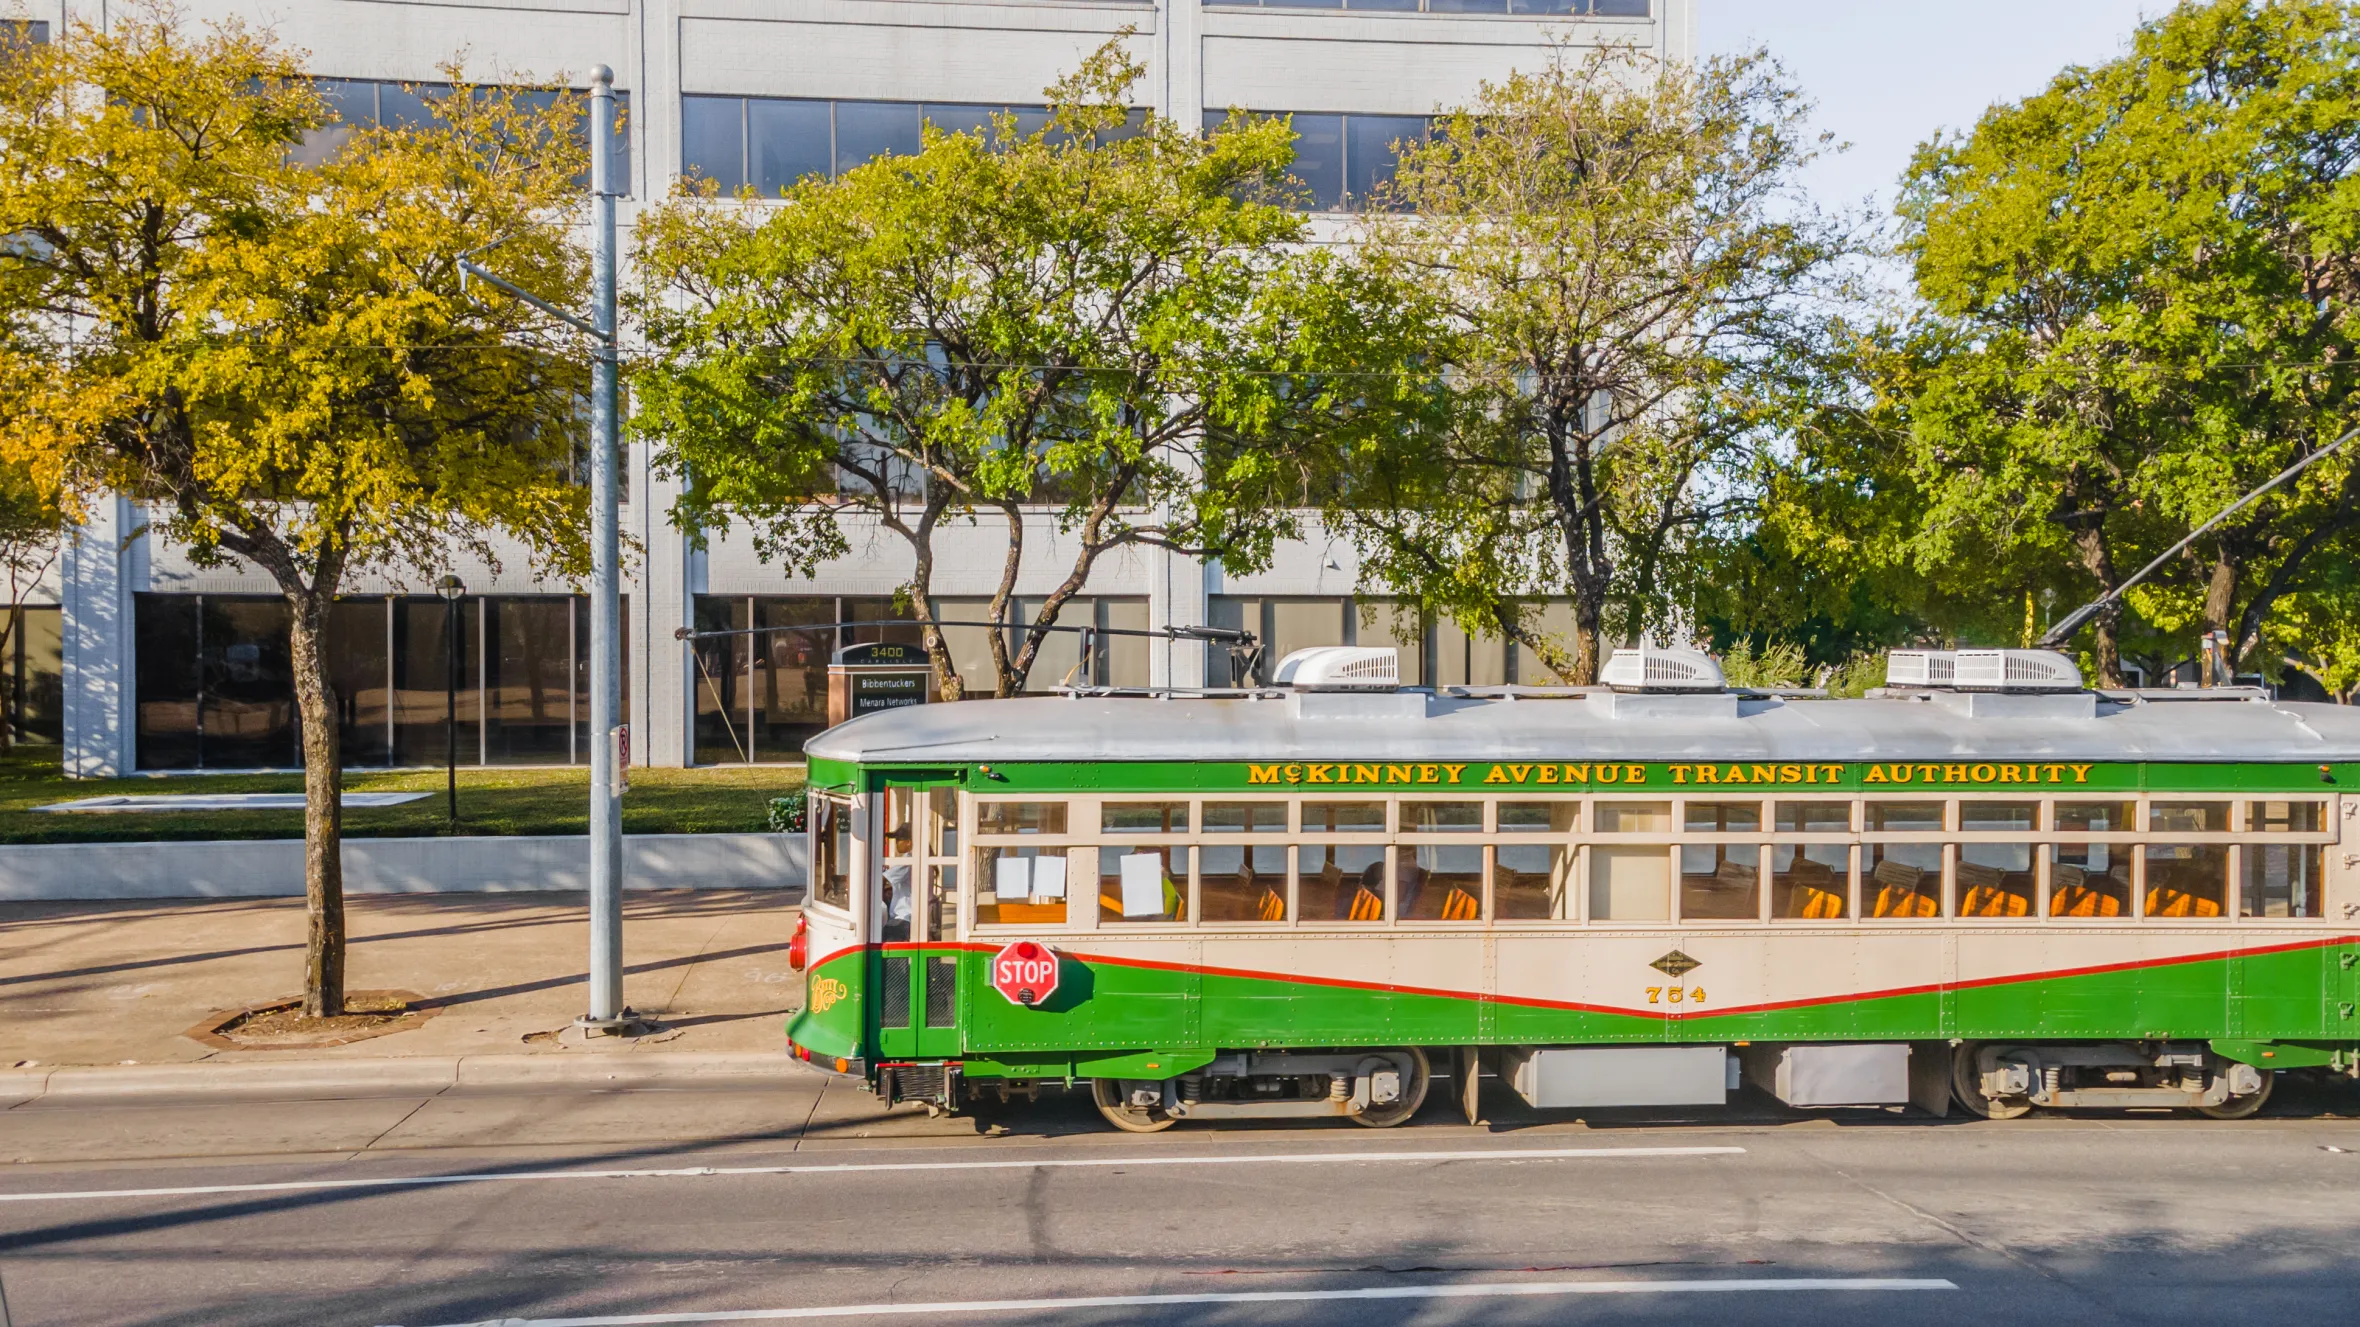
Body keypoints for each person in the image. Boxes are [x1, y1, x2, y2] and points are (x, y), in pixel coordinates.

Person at [881, 824, 914, 941]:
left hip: (903, 917)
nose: (896, 844)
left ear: (909, 842)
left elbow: (882, 880)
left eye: (899, 840)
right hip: (910, 915)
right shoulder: (916, 858)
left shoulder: (908, 859)